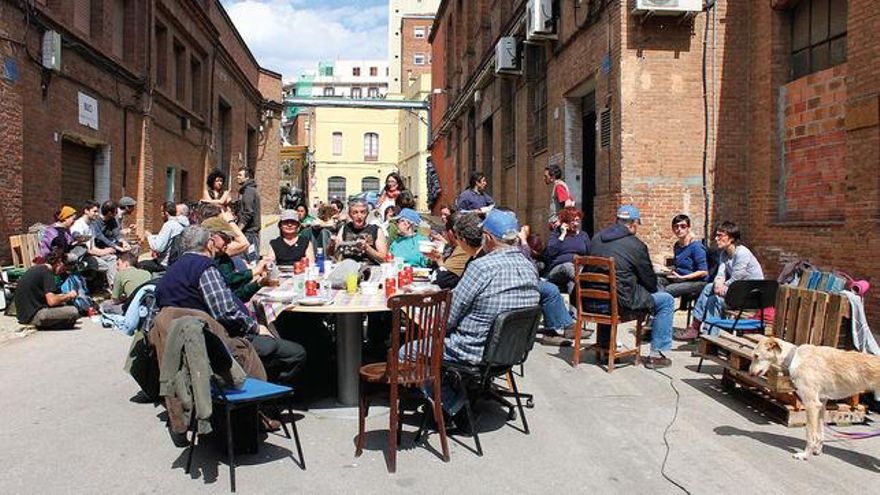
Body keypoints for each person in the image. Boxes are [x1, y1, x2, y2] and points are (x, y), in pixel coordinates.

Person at [155, 225, 306, 385]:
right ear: (209, 243)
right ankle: (269, 393)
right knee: (296, 353)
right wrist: (255, 328)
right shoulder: (204, 267)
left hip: (184, 345)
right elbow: (226, 312)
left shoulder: (170, 272)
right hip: (221, 344)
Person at [439, 208, 539, 413]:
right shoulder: (530, 267)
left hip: (473, 351)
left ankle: (453, 405)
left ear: (488, 237)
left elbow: (447, 319)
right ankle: (464, 392)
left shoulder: (481, 267)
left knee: (407, 351)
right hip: (512, 350)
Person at [589, 205, 675, 369]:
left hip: (589, 302)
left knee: (610, 292)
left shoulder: (596, 238)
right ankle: (656, 356)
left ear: (617, 220)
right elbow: (650, 283)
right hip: (618, 304)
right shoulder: (636, 245)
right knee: (666, 300)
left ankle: (605, 348)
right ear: (634, 223)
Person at [681, 221, 765, 339]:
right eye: (716, 235)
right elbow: (720, 274)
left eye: (720, 236)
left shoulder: (742, 253)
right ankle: (710, 337)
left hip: (750, 297)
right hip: (736, 292)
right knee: (713, 299)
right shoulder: (724, 254)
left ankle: (696, 328)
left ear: (731, 238)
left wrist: (723, 285)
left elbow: (736, 278)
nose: (716, 239)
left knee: (709, 290)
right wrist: (718, 284)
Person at [203, 217, 270, 303]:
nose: (229, 242)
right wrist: (254, 271)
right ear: (211, 237)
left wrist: (258, 283)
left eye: (230, 238)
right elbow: (226, 280)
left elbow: (236, 294)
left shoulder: (224, 258)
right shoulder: (201, 261)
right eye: (225, 237)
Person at [13, 247, 80, 330]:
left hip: (24, 315)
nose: (62, 271)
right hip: (34, 315)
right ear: (58, 262)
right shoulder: (47, 273)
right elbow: (52, 301)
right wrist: (69, 295)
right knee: (73, 311)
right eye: (63, 268)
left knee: (66, 311)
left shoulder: (38, 269)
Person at [658, 214, 709, 299]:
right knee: (656, 281)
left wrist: (683, 277)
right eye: (676, 227)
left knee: (668, 290)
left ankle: (663, 304)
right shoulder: (677, 246)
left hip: (695, 281)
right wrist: (668, 270)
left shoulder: (696, 246)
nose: (679, 229)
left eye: (683, 226)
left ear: (688, 228)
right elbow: (678, 265)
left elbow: (703, 271)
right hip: (679, 278)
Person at [71, 200, 118, 288]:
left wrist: (106, 250)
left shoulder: (91, 226)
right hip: (81, 257)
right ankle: (111, 287)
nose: (97, 214)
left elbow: (92, 247)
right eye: (94, 211)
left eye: (97, 211)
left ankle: (114, 287)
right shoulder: (79, 225)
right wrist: (103, 252)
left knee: (112, 258)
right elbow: (85, 250)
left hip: (90, 255)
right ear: (86, 211)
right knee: (106, 266)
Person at [545, 206, 590, 297]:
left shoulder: (583, 235)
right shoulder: (556, 234)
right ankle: (583, 280)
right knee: (568, 267)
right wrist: (562, 235)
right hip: (558, 269)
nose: (576, 224)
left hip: (577, 269)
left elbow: (589, 254)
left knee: (572, 282)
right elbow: (550, 252)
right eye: (573, 221)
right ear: (565, 222)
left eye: (577, 220)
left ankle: (575, 304)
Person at [331, 199, 387, 265]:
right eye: (355, 212)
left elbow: (384, 258)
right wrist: (332, 244)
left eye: (363, 212)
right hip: (348, 267)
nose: (359, 216)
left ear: (367, 214)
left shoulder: (375, 230)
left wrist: (367, 248)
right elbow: (332, 254)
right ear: (350, 214)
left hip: (369, 267)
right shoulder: (345, 228)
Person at [139, 202, 187, 273]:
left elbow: (158, 247)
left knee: (139, 265)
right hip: (176, 261)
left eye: (162, 212)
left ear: (166, 213)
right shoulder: (182, 224)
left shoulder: (169, 225)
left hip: (165, 264)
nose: (161, 215)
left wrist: (149, 236)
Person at [236, 167, 261, 262]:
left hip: (249, 234)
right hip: (248, 234)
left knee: (252, 262)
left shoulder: (249, 191)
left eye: (240, 175)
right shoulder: (246, 191)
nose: (237, 177)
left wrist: (238, 231)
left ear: (247, 177)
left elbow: (248, 213)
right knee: (245, 262)